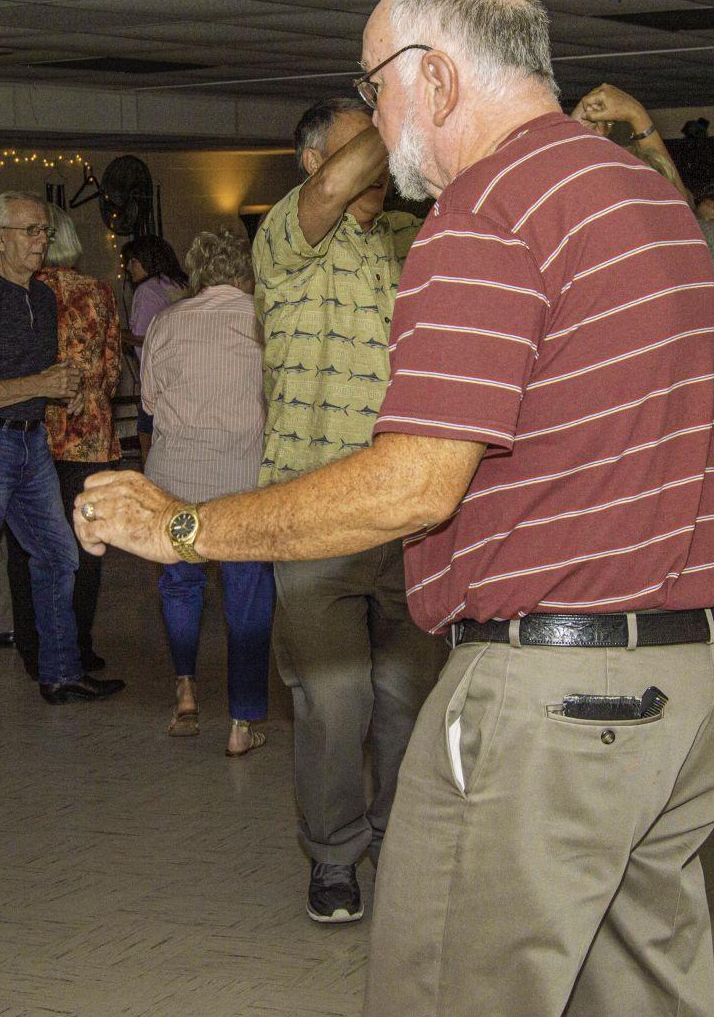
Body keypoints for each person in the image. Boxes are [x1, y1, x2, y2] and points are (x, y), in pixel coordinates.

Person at [75, 0, 714, 1017]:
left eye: (376, 86)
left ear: (432, 77)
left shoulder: (484, 217)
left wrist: (187, 524)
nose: (379, 122)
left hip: (553, 705)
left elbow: (415, 485)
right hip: (687, 686)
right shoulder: (649, 202)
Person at [252, 94, 445, 926]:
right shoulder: (287, 240)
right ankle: (333, 857)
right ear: (313, 162)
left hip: (411, 514)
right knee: (337, 703)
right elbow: (336, 194)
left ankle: (395, 837)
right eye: (360, 143)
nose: (383, 154)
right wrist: (399, 107)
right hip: (313, 517)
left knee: (407, 696)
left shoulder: (409, 240)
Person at [577, 86, 714, 656]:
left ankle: (687, 629)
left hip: (677, 402)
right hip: (682, 402)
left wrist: (638, 122)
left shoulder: (684, 236)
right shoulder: (679, 236)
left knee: (688, 523)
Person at [0, 191, 124, 730]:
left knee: (60, 556)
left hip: (28, 442)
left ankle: (60, 674)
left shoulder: (40, 299)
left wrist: (47, 393)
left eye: (44, 231)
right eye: (30, 232)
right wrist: (42, 384)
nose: (42, 241)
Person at [141, 229, 273, 758]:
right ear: (246, 269)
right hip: (244, 481)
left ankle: (186, 694)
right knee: (248, 600)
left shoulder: (166, 322)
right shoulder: (265, 323)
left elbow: (150, 401)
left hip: (176, 478)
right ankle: (242, 723)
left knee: (180, 588)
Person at [6, 204, 122, 679]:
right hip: (88, 438)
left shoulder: (20, 294)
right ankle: (78, 646)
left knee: (24, 546)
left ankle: (33, 646)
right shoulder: (97, 293)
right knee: (84, 544)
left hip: (30, 433)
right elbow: (112, 371)